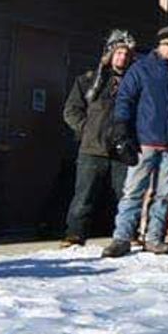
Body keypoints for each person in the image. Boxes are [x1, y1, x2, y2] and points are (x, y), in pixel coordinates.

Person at [103, 27, 168, 258]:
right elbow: (125, 100)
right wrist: (122, 129)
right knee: (133, 191)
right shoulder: (141, 69)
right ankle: (122, 237)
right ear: (158, 46)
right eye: (166, 44)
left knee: (164, 194)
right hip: (144, 141)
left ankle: (155, 237)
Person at [62, 30, 136, 247]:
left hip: (122, 149)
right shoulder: (89, 80)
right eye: (118, 53)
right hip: (92, 149)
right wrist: (87, 130)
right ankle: (74, 235)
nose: (122, 58)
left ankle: (126, 235)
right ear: (110, 54)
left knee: (126, 196)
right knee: (83, 198)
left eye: (126, 54)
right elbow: (71, 111)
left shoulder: (134, 83)